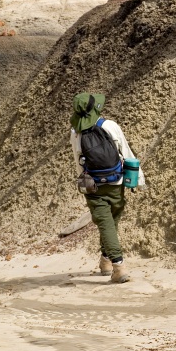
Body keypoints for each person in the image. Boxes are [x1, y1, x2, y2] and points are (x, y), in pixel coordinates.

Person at [70, 92, 145, 283]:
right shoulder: (110, 126)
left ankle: (106, 260)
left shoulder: (75, 131)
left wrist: (85, 181)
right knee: (110, 223)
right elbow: (127, 153)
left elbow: (78, 161)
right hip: (116, 183)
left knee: (106, 224)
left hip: (93, 186)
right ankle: (118, 266)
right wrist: (138, 180)